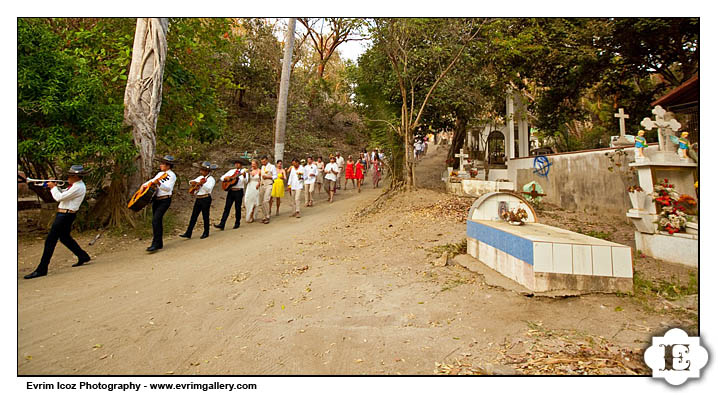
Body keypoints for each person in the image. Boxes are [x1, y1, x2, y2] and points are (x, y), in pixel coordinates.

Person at [24, 165, 92, 279]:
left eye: (70, 175)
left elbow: (59, 197)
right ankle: (83, 256)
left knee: (50, 240)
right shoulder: (74, 186)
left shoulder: (78, 187)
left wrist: (52, 187)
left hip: (65, 215)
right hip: (65, 214)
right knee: (65, 238)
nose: (68, 177)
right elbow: (64, 193)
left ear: (76, 176)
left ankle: (42, 268)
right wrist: (54, 186)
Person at [144, 155, 177, 252]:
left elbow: (168, 188)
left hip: (165, 200)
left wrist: (159, 184)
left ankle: (155, 243)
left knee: (156, 220)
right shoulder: (159, 174)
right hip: (157, 199)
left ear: (168, 165)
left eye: (163, 164)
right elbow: (151, 181)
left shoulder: (171, 175)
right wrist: (144, 186)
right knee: (157, 221)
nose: (160, 165)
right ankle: (159, 243)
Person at [180, 161, 217, 239]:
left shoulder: (211, 179)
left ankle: (206, 232)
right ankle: (188, 232)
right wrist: (194, 183)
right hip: (199, 198)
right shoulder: (200, 178)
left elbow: (208, 189)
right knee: (194, 216)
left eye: (203, 170)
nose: (201, 172)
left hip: (206, 198)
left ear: (207, 171)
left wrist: (202, 184)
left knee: (205, 216)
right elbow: (191, 182)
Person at [215, 159, 248, 230]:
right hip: (231, 191)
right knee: (227, 208)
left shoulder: (244, 172)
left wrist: (244, 176)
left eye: (238, 163)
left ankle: (237, 222)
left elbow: (246, 181)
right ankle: (222, 224)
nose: (236, 165)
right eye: (236, 163)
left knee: (237, 207)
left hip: (239, 191)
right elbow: (221, 178)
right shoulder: (231, 171)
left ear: (241, 165)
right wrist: (226, 178)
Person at [259, 155, 277, 224]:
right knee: (261, 201)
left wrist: (268, 177)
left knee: (266, 200)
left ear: (266, 160)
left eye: (264, 161)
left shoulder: (272, 166)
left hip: (269, 184)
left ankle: (267, 216)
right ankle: (264, 215)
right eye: (262, 162)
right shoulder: (262, 167)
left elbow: (275, 176)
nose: (263, 163)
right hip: (262, 185)